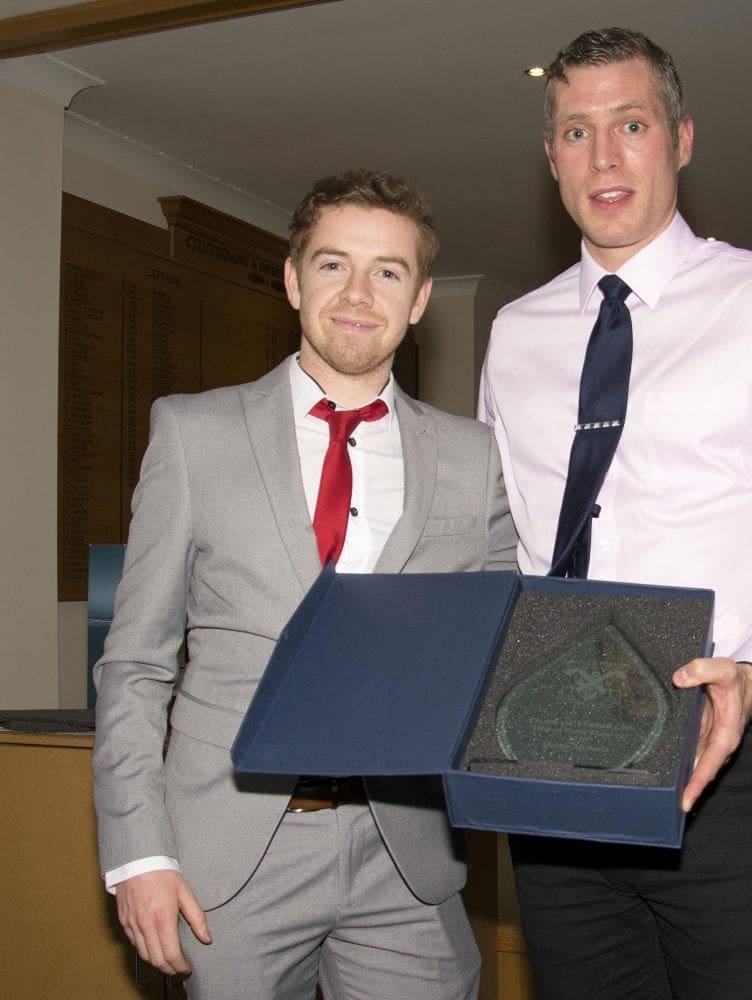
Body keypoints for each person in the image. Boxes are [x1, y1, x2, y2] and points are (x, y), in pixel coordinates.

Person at [478, 27, 752, 1000]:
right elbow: (506, 538)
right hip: (551, 756)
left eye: (630, 124)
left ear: (681, 138)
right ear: (551, 158)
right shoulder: (513, 333)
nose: (604, 156)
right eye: (576, 132)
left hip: (720, 759)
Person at [93, 168, 517, 1000]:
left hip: (408, 861)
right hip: (229, 859)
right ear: (293, 280)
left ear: (419, 299)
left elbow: (501, 649)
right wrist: (138, 853)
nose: (358, 293)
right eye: (333, 264)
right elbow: (135, 662)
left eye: (387, 271)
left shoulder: (475, 459)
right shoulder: (192, 434)